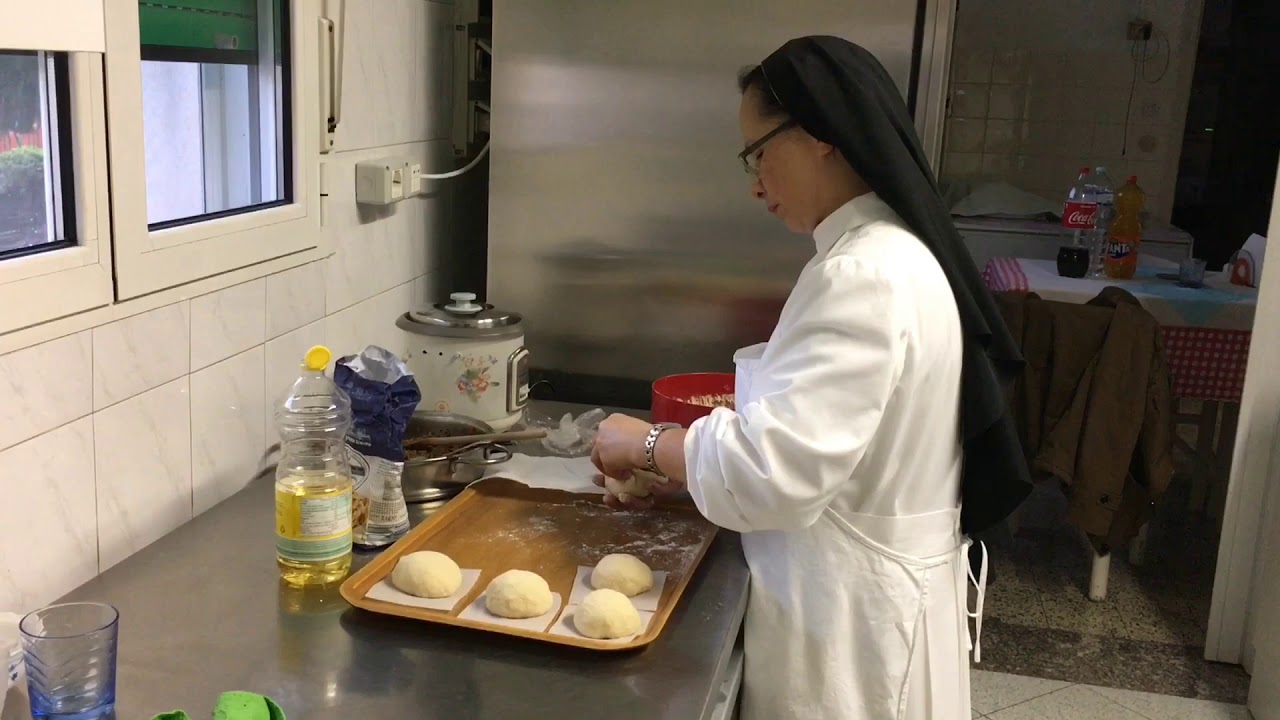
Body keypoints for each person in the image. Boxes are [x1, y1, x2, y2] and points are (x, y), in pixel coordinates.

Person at [589, 36, 1032, 720]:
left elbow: (778, 472)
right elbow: (819, 444)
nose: (754, 182)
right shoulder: (885, 254)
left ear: (820, 134)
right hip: (865, 601)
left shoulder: (863, 274)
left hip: (853, 633)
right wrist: (688, 467)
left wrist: (647, 444)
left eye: (758, 152)